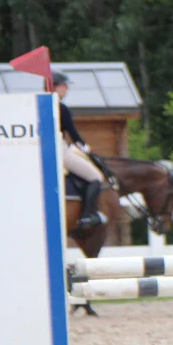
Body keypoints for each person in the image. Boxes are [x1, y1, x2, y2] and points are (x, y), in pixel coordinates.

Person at [51, 71, 109, 229]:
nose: (67, 89)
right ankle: (88, 215)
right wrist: (88, 151)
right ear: (56, 87)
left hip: (47, 149)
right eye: (64, 86)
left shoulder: (36, 104)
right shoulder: (61, 108)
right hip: (60, 150)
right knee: (96, 177)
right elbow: (74, 136)